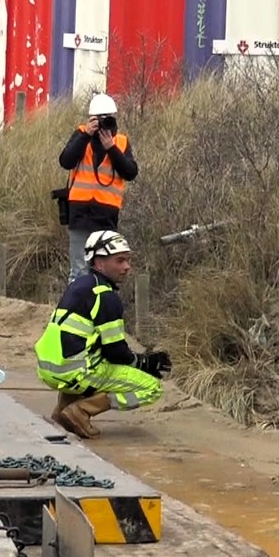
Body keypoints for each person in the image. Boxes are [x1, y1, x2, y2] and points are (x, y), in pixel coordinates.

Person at [34, 230, 171, 439]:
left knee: (87, 356)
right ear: (99, 263)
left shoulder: (79, 285)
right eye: (120, 261)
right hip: (75, 372)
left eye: (128, 260)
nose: (127, 267)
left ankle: (62, 413)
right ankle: (81, 411)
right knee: (152, 388)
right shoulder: (105, 296)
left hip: (50, 369)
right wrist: (143, 363)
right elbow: (115, 351)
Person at [58, 93, 138, 282]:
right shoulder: (81, 135)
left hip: (106, 216)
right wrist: (86, 135)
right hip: (80, 214)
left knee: (104, 271)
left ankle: (100, 307)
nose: (104, 124)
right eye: (99, 119)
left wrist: (111, 148)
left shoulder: (121, 142)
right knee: (78, 271)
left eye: (107, 119)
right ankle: (75, 308)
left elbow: (131, 172)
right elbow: (66, 161)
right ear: (91, 118)